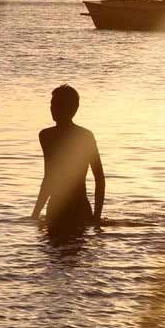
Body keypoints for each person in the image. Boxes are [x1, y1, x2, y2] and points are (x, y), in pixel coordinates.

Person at [31, 84, 104, 239]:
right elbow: (49, 177)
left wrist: (97, 218)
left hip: (79, 208)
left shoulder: (84, 137)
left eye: (57, 105)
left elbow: (99, 177)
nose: (52, 109)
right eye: (51, 104)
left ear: (71, 108)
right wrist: (36, 213)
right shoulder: (46, 136)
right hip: (55, 209)